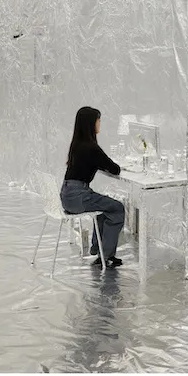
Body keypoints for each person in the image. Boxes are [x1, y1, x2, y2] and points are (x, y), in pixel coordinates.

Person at [59, 106, 125, 268]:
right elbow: (115, 169)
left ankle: (99, 250)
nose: (100, 123)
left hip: (67, 195)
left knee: (104, 209)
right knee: (117, 208)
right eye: (98, 120)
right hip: (79, 197)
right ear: (91, 123)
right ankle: (106, 256)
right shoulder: (91, 147)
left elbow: (97, 163)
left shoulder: (77, 144)